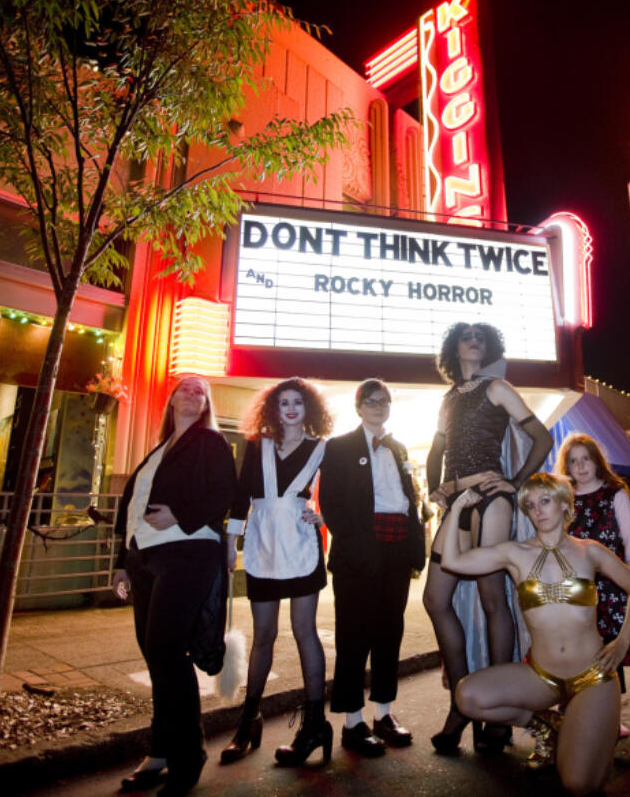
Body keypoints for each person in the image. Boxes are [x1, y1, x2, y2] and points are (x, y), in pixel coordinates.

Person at [444, 473, 630, 795]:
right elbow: (453, 561)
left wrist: (622, 642)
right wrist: (457, 509)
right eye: (530, 504)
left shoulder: (589, 551)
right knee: (467, 696)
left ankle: (585, 730)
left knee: (578, 784)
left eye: (545, 501)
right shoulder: (515, 553)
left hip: (593, 676)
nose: (537, 510)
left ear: (565, 504)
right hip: (541, 676)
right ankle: (547, 726)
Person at [423, 322, 553, 754]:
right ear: (455, 347)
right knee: (434, 600)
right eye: (466, 335)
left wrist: (515, 484)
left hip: (489, 500)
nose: (474, 340)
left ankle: (499, 705)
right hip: (456, 505)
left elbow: (541, 436)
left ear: (489, 347)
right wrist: (434, 487)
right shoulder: (446, 399)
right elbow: (437, 451)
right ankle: (460, 704)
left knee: (492, 598)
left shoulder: (498, 387)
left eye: (481, 336)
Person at [111, 375, 236, 796]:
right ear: (171, 400)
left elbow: (225, 494)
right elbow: (128, 508)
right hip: (144, 559)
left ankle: (187, 753)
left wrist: (179, 514)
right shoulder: (156, 452)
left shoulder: (211, 443)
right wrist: (121, 563)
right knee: (155, 654)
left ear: (206, 406)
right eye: (185, 387)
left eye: (201, 391)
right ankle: (161, 750)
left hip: (188, 553)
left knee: (167, 650)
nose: (192, 393)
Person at [220, 378, 333, 767]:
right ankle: (248, 720)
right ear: (273, 408)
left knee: (305, 632)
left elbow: (336, 494)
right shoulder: (257, 445)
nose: (289, 408)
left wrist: (326, 515)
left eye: (297, 402)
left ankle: (316, 723)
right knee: (263, 635)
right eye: (282, 402)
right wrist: (230, 543)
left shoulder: (322, 449)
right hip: (264, 544)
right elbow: (239, 495)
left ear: (308, 408)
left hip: (302, 543)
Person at [319, 379, 425, 757]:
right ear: (359, 406)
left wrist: (415, 548)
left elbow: (410, 501)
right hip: (358, 553)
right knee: (353, 635)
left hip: (396, 550)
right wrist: (355, 544)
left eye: (384, 401)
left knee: (388, 633)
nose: (379, 406)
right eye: (372, 401)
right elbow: (329, 502)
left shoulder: (398, 448)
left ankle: (384, 714)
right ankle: (352, 723)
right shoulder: (340, 446)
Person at [557, 434, 630, 736]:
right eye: (573, 461)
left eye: (585, 459)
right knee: (573, 652)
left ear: (596, 460)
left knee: (608, 656)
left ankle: (611, 718)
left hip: (611, 588)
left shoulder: (615, 493)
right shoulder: (565, 497)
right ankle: (570, 711)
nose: (580, 466)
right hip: (575, 589)